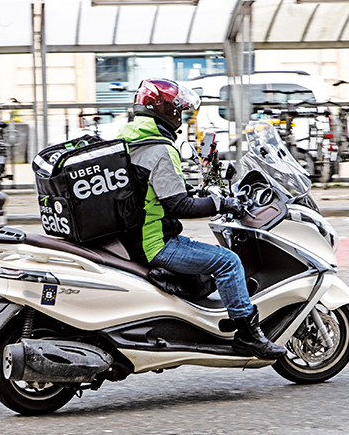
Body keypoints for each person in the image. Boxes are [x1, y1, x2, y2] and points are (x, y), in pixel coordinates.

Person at [116, 78, 286, 361]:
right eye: (178, 110)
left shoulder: (130, 139)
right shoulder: (161, 148)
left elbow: (154, 192)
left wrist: (204, 191)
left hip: (133, 237)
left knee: (208, 268)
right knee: (228, 262)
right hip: (155, 243)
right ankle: (248, 335)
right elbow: (177, 204)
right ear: (166, 110)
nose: (180, 117)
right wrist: (222, 202)